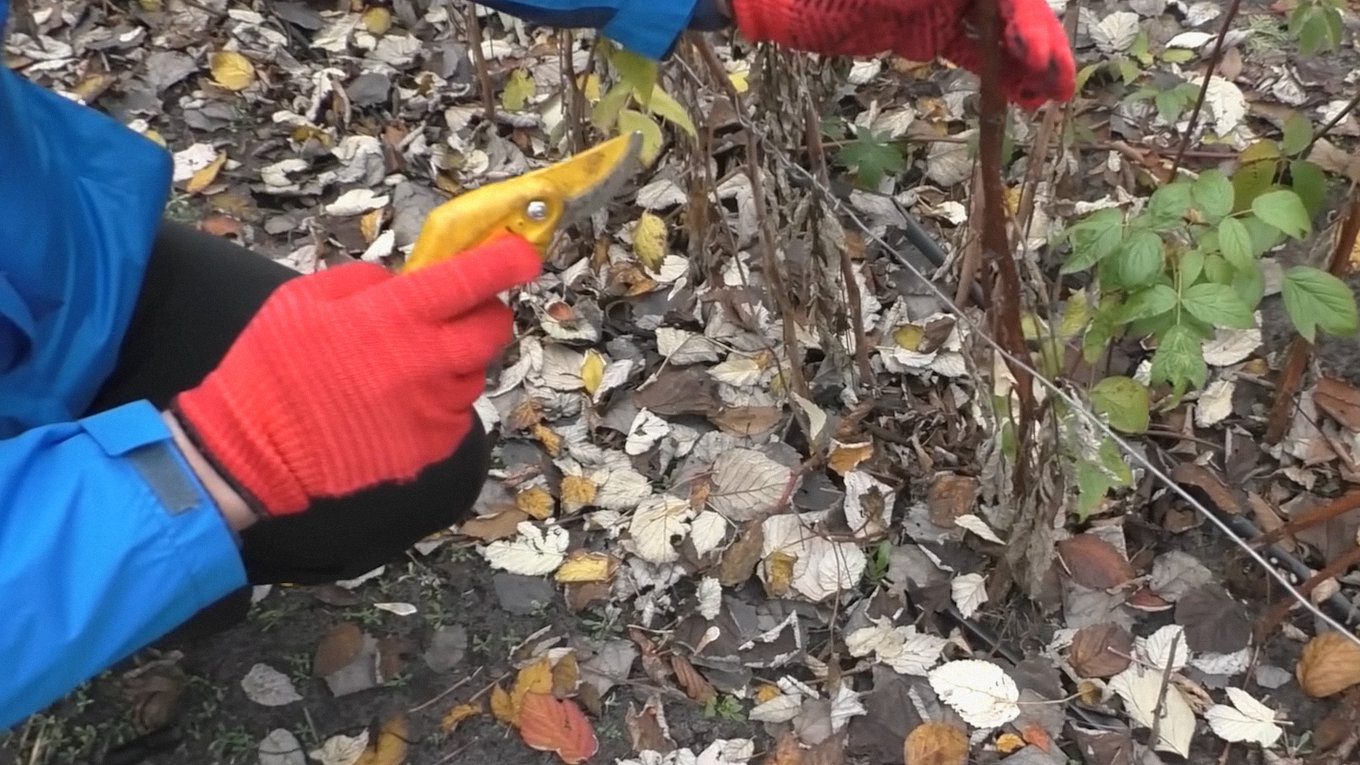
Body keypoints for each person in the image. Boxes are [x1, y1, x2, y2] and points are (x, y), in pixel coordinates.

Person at [0, 0, 1074, 730]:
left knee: (401, 469)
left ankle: (138, 578)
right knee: (263, 480)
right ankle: (119, 588)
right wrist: (204, 464)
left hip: (48, 261)